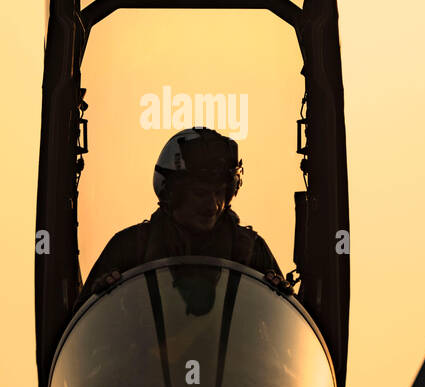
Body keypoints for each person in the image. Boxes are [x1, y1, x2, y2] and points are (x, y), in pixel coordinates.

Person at [76, 128, 289, 310]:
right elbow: (86, 336)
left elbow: (282, 336)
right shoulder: (130, 248)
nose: (213, 205)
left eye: (219, 193)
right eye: (200, 193)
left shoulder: (251, 250)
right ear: (173, 194)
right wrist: (107, 299)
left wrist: (275, 296)